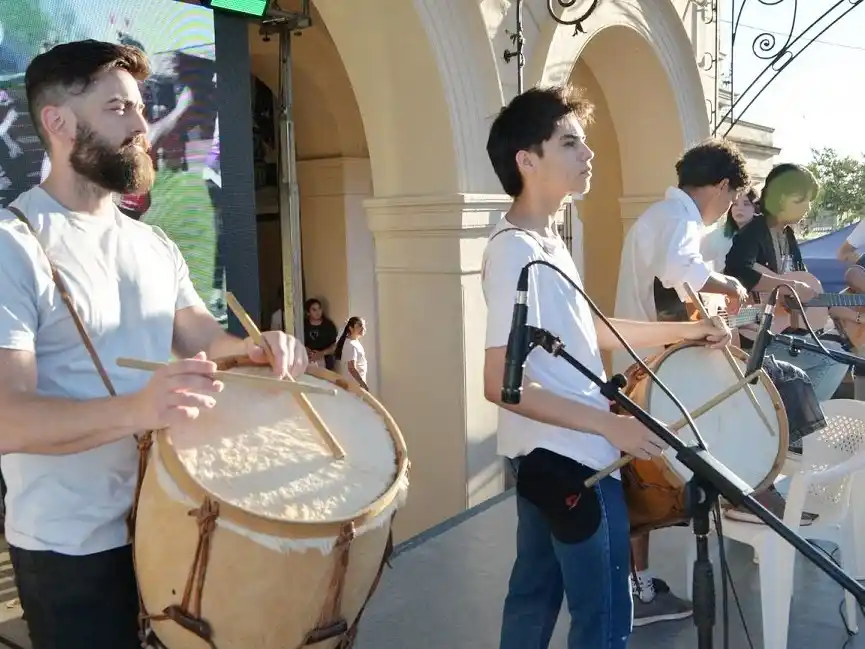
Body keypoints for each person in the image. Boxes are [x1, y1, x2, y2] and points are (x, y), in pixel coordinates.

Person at [0, 40, 307, 649]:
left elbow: (205, 340)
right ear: (57, 123)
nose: (142, 125)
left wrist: (254, 349)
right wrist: (141, 410)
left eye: (140, 108)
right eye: (117, 108)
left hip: (170, 523)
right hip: (71, 547)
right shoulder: (16, 243)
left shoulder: (154, 245)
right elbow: (9, 419)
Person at [482, 85, 731, 649]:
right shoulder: (514, 252)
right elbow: (500, 382)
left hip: (553, 455)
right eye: (570, 143)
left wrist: (689, 329)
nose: (587, 155)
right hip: (574, 463)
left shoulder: (547, 242)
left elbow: (593, 332)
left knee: (534, 601)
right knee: (604, 623)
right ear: (527, 161)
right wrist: (608, 426)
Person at [612, 138, 751, 626]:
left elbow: (676, 285)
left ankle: (639, 585)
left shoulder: (665, 218)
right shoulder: (679, 220)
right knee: (640, 483)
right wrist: (728, 285)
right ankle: (640, 589)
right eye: (731, 199)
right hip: (650, 370)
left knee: (639, 480)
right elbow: (680, 271)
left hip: (647, 363)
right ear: (721, 186)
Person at [724, 163, 849, 403]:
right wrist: (783, 287)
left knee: (838, 352)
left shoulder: (787, 235)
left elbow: (801, 285)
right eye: (803, 200)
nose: (808, 207)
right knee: (834, 359)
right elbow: (738, 269)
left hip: (780, 332)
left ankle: (789, 422)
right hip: (750, 333)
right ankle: (795, 429)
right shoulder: (754, 231)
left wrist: (829, 304)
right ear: (783, 198)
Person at [700, 187, 758, 272]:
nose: (740, 208)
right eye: (735, 204)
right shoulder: (719, 235)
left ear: (755, 208)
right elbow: (696, 259)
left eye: (746, 204)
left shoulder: (762, 236)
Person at [303, 298, 339, 371]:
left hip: (326, 361)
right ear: (308, 312)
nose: (318, 312)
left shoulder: (328, 325)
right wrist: (305, 349)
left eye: (319, 308)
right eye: (314, 309)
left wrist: (321, 353)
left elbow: (336, 345)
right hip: (307, 359)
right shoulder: (303, 324)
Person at [335, 316, 368, 391]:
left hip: (357, 384)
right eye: (359, 326)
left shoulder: (355, 342)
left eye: (363, 326)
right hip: (354, 385)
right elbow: (351, 368)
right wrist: (363, 384)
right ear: (351, 328)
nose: (363, 329)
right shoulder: (350, 345)